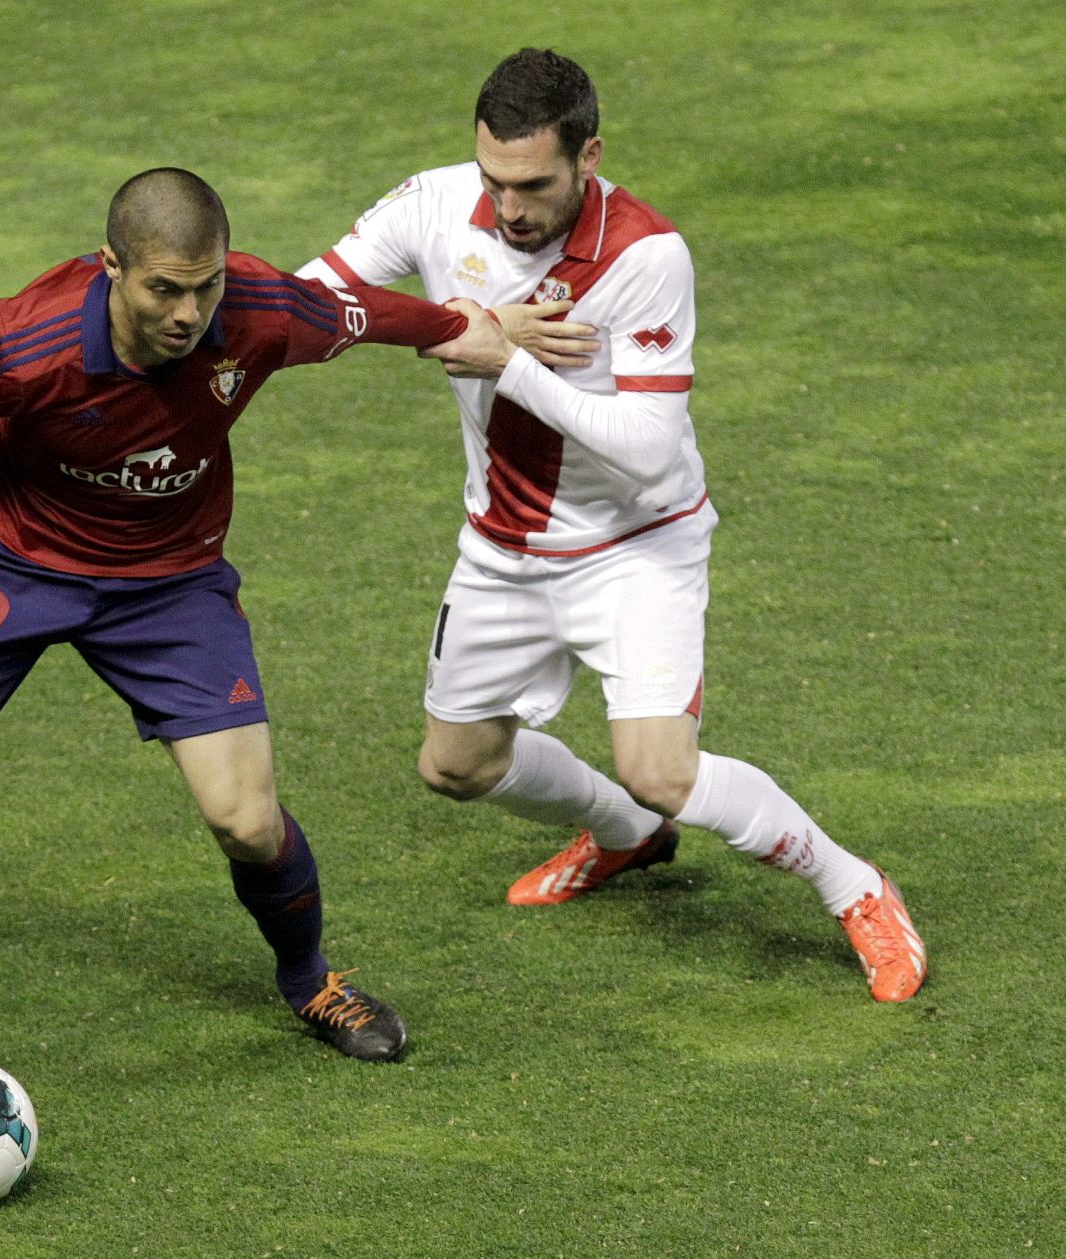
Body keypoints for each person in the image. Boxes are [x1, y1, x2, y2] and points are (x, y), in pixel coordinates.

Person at [0, 167, 489, 1060]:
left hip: (170, 584)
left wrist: (467, 328)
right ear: (113, 266)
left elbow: (369, 314)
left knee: (247, 821)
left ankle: (312, 982)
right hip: (12, 561)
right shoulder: (25, 343)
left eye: (206, 284)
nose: (191, 312)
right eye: (166, 289)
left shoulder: (261, 306)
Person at [300, 50, 926, 1001]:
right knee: (456, 766)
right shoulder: (430, 204)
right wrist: (458, 321)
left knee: (661, 765)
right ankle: (628, 833)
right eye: (493, 181)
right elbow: (306, 305)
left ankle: (857, 886)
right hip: (501, 548)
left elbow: (644, 446)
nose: (509, 207)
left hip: (637, 548)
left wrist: (504, 359)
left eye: (534, 184)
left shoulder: (644, 255)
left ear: (588, 154)